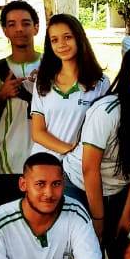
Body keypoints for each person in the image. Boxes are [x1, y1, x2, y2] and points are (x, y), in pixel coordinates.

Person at [64, 45, 130, 259]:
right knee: (91, 255)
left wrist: (126, 213)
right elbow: (89, 169)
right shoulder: (106, 112)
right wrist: (98, 219)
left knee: (123, 253)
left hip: (118, 189)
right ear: (127, 75)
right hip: (81, 184)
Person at [0, 0, 42, 209]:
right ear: (4, 30)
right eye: (12, 24)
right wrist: (0, 96)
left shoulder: (53, 67)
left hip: (45, 163)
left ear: (36, 27)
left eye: (26, 23)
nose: (19, 29)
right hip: (5, 166)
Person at [29, 13, 109, 157]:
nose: (61, 44)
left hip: (79, 166)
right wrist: (71, 152)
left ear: (79, 37)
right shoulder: (43, 81)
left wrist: (78, 159)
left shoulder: (100, 82)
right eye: (54, 40)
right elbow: (38, 132)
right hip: (44, 163)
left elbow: (104, 129)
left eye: (67, 37)